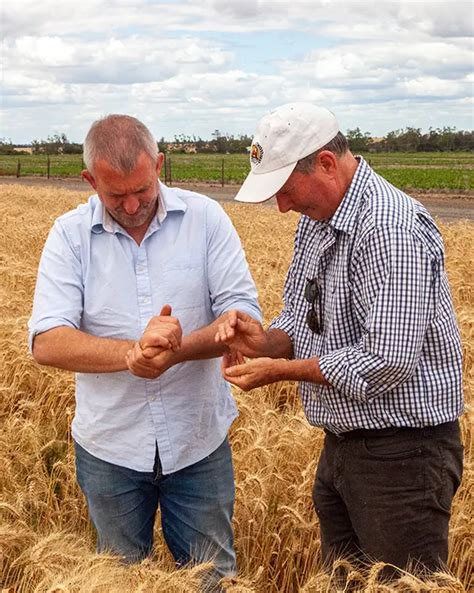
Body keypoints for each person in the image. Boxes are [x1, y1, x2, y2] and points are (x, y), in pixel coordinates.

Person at [215, 103, 464, 575]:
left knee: (401, 585)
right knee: (347, 582)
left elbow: (386, 361)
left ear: (326, 163)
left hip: (404, 456)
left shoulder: (391, 228)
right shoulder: (317, 219)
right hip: (344, 445)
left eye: (286, 190)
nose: (283, 206)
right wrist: (265, 342)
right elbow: (301, 316)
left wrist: (281, 372)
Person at [28, 114, 261, 590]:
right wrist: (133, 354)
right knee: (116, 579)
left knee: (212, 580)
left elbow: (241, 313)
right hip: (110, 446)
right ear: (89, 180)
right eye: (116, 196)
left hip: (197, 443)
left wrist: (179, 349)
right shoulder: (69, 235)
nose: (132, 205)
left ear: (159, 164)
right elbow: (47, 339)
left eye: (142, 189)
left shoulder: (206, 218)